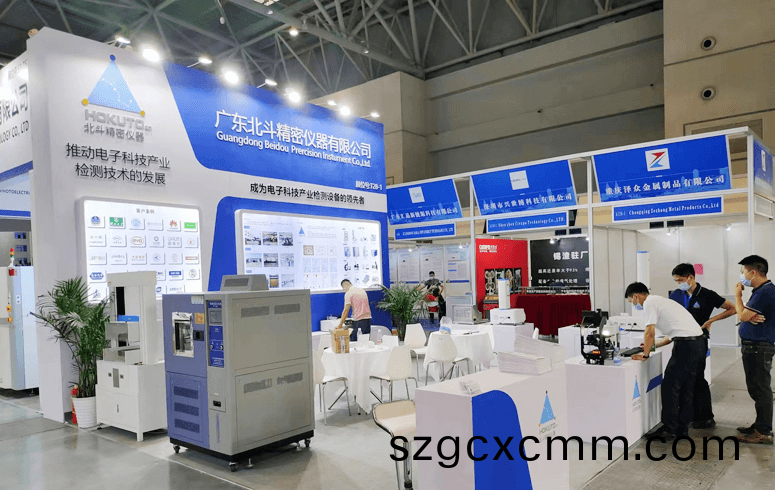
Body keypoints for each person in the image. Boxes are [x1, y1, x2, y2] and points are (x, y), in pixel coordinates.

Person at [626, 282, 706, 440]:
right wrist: (652, 345)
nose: (634, 305)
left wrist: (645, 354)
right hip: (697, 343)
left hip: (685, 346)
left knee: (670, 387)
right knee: (686, 388)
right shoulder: (661, 301)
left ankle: (669, 428)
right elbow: (671, 335)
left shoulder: (649, 303)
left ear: (635, 296)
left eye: (632, 302)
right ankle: (682, 428)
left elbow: (649, 331)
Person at [669, 263, 736, 429]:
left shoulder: (707, 294)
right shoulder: (676, 295)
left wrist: (711, 321)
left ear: (691, 277)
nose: (678, 284)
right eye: (676, 281)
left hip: (698, 340)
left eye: (680, 280)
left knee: (698, 377)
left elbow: (732, 309)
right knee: (682, 378)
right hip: (680, 340)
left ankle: (705, 417)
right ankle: (688, 415)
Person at [734, 255, 775, 444]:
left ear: (753, 272)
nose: (741, 276)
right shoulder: (761, 291)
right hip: (754, 346)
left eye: (743, 272)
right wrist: (747, 315)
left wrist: (737, 295)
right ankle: (760, 425)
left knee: (761, 388)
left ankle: (764, 431)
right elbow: (746, 315)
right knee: (756, 387)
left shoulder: (765, 292)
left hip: (759, 347)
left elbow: (742, 315)